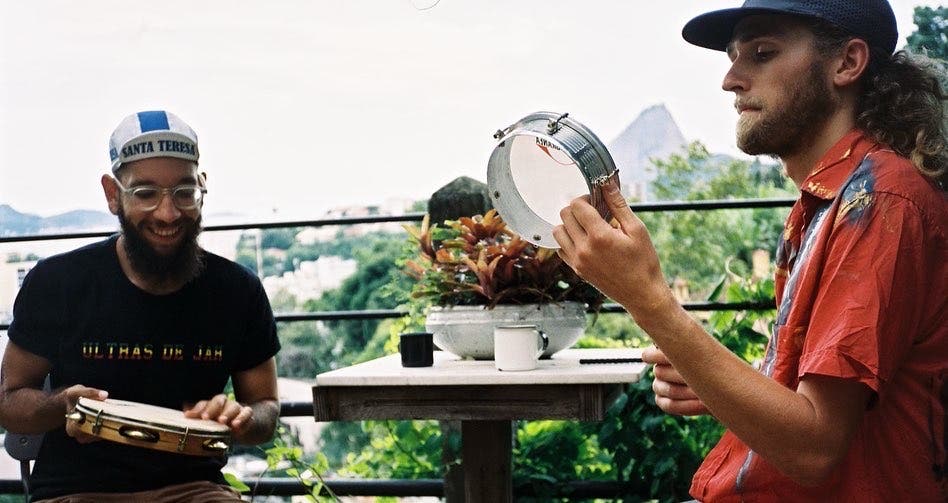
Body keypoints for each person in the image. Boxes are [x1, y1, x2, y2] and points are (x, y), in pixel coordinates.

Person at [555, 0, 946, 501]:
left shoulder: (881, 203)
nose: (731, 80)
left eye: (762, 53)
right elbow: (819, 403)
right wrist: (719, 381)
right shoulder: (832, 198)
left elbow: (815, 448)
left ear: (847, 63)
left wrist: (648, 300)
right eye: (733, 57)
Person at [0, 110, 281, 502]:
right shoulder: (58, 282)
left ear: (202, 187)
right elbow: (8, 401)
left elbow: (265, 407)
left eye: (184, 192)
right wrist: (61, 405)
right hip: (77, 492)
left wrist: (244, 419)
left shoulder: (239, 291)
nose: (168, 213)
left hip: (195, 490)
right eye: (145, 193)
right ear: (113, 194)